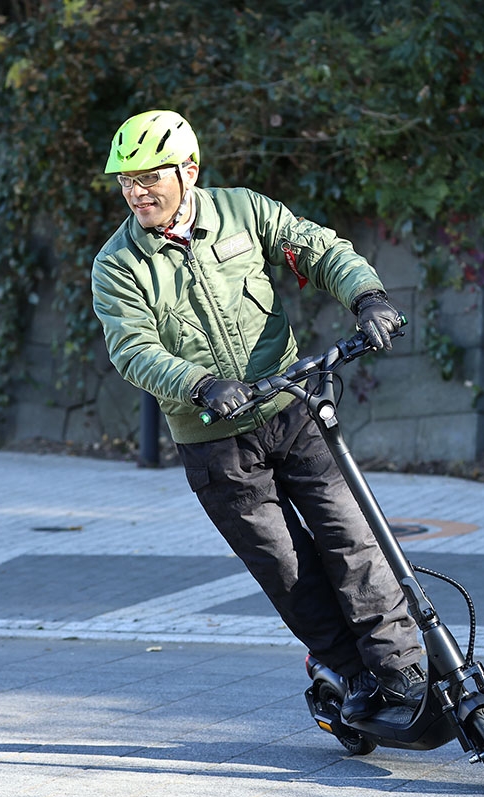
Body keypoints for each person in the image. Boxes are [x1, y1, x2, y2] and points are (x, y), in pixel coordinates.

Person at [90, 109, 424, 722]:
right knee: (287, 567)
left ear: (188, 170)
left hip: (292, 410)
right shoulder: (118, 264)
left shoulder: (243, 211)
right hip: (216, 444)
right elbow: (133, 349)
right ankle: (351, 674)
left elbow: (319, 249)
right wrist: (199, 384)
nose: (136, 192)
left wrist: (367, 296)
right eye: (125, 180)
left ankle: (401, 668)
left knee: (353, 538)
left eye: (148, 177)